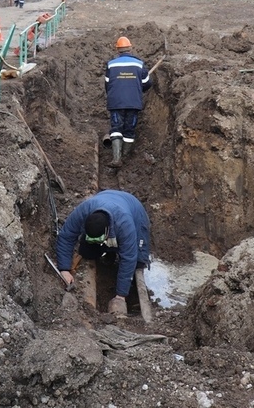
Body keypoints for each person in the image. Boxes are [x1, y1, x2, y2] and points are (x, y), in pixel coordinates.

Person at [56, 190, 151, 316]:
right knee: (87, 252)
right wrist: (64, 269)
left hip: (134, 211)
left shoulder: (124, 224)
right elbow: (66, 236)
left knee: (137, 262)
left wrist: (121, 295)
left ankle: (129, 285)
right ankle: (109, 252)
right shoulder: (83, 211)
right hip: (105, 201)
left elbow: (129, 258)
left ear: (107, 231)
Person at [105, 36, 152, 167]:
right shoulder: (139, 64)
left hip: (116, 101)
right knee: (129, 130)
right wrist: (137, 88)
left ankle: (116, 158)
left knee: (116, 128)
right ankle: (125, 157)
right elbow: (147, 84)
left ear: (117, 50)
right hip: (133, 102)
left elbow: (107, 85)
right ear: (130, 48)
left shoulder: (111, 64)